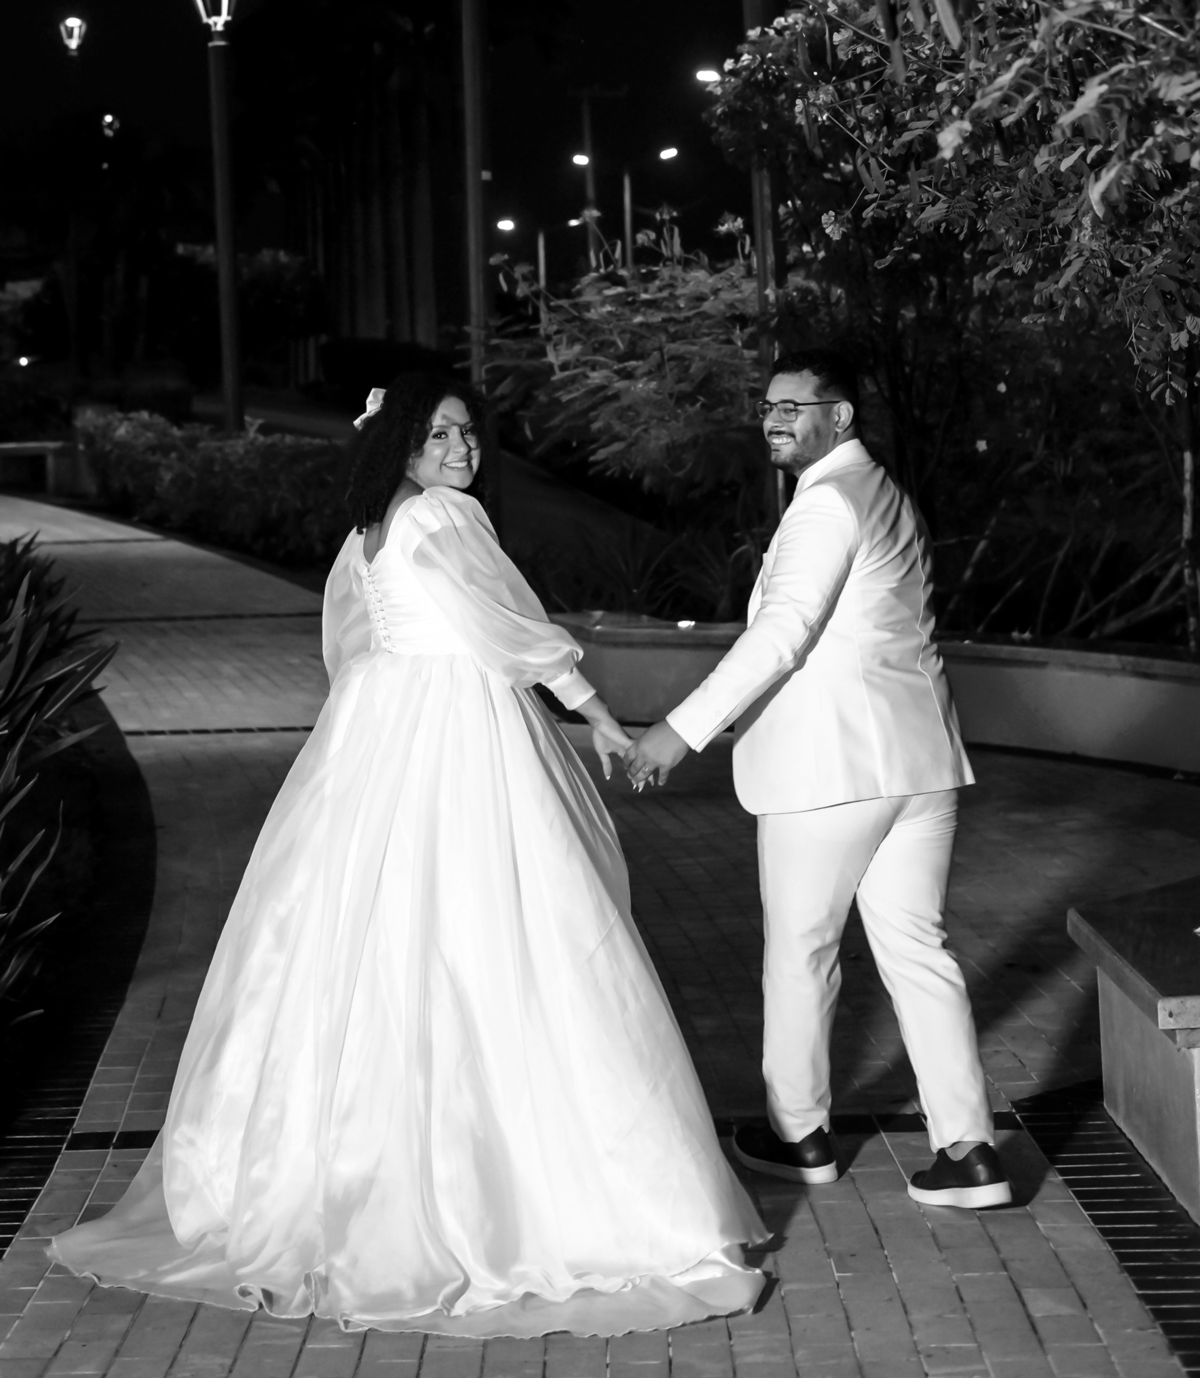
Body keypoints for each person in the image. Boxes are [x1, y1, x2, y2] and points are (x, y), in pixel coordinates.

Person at [51, 375, 765, 1335]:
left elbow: (346, 645)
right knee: (498, 933)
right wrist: (597, 717)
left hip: (373, 731)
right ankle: (546, 1196)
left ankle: (334, 1177)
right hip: (456, 731)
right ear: (402, 447)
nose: (463, 449)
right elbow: (514, 636)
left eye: (470, 432)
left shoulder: (369, 531)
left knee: (362, 942)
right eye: (441, 434)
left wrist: (372, 720)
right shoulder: (444, 519)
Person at [625, 349, 1011, 1211]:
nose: (774, 419)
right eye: (768, 407)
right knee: (920, 955)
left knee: (801, 955)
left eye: (794, 407)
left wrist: (677, 732)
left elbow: (783, 635)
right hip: (919, 764)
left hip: (832, 772)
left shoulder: (825, 505)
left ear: (841, 418)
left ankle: (800, 1134)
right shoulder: (884, 495)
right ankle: (970, 1148)